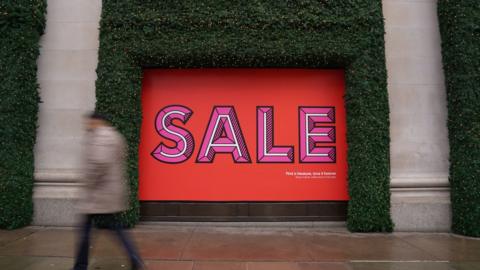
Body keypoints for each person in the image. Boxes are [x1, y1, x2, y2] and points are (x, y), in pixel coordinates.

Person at [73, 112, 144, 270]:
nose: (87, 125)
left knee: (88, 231)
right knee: (115, 228)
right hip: (108, 193)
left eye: (89, 122)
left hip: (99, 194)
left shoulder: (101, 137)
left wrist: (88, 184)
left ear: (97, 121)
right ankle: (134, 259)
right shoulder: (115, 136)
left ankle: (80, 265)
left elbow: (98, 163)